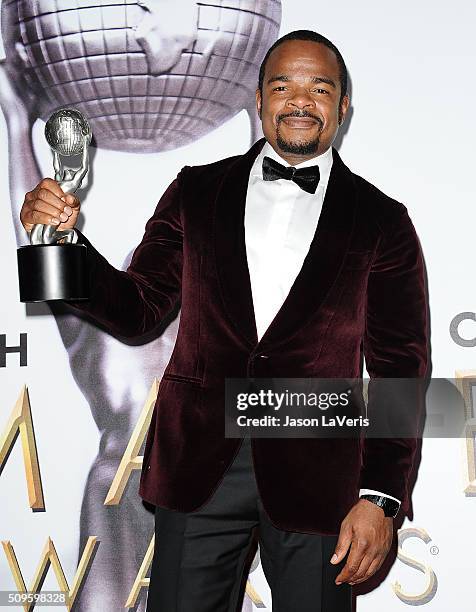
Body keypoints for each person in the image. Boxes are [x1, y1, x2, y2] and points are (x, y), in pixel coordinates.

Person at [19, 30, 429, 611]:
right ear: (260, 101)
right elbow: (138, 309)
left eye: (320, 88)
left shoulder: (382, 220)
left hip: (320, 479)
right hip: (199, 467)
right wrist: (60, 244)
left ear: (343, 108)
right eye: (283, 85)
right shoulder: (196, 191)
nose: (300, 101)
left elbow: (400, 368)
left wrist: (381, 495)